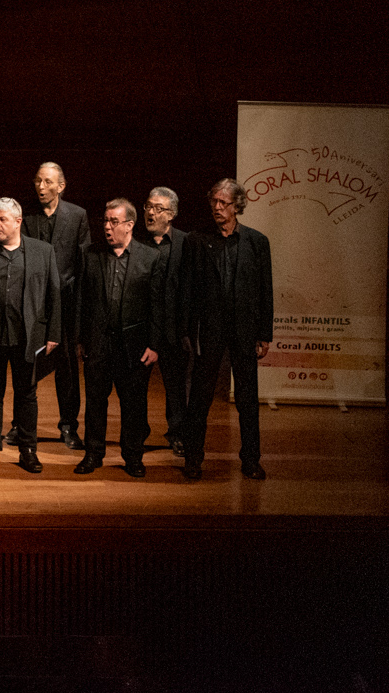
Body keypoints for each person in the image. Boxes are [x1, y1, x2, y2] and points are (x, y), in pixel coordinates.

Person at [179, 179, 273, 481]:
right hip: (209, 330)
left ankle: (251, 460)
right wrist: (186, 331)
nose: (217, 208)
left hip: (244, 330)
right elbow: (187, 288)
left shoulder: (257, 242)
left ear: (237, 206)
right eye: (214, 202)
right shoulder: (196, 240)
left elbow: (265, 290)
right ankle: (193, 458)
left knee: (247, 399)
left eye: (224, 203)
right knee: (200, 397)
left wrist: (264, 334)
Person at [0, 198, 60, 474]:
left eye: (2, 219)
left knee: (27, 394)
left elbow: (54, 293)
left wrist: (53, 333)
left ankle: (28, 449)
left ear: (18, 222)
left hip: (28, 336)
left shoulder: (42, 251)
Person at [75, 198, 170, 478]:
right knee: (95, 402)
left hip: (134, 345)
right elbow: (81, 301)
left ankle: (133, 457)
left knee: (134, 404)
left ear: (129, 225)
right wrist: (80, 339)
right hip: (98, 343)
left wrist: (154, 344)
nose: (107, 227)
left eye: (113, 222)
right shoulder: (90, 254)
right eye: (105, 221)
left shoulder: (150, 257)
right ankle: (93, 454)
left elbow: (158, 304)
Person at [23, 161, 92, 451]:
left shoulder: (77, 215)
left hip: (66, 303)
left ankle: (68, 426)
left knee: (67, 367)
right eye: (38, 181)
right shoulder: (27, 216)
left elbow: (83, 264)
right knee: (27, 363)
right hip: (34, 302)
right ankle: (21, 424)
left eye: (48, 182)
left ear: (61, 186)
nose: (41, 187)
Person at [138, 187, 191, 456]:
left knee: (176, 386)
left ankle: (178, 434)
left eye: (158, 208)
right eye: (148, 206)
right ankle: (137, 434)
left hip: (174, 330)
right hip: (142, 330)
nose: (150, 212)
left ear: (172, 214)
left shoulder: (186, 243)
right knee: (137, 386)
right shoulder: (136, 242)